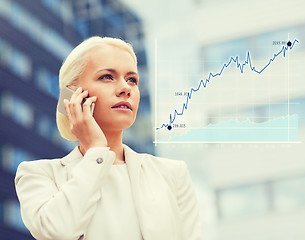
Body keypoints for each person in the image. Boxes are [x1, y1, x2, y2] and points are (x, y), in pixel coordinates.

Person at [15, 36, 202, 240]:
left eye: (132, 79)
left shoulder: (172, 174)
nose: (126, 88)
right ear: (72, 96)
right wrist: (96, 150)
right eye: (107, 77)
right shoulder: (38, 175)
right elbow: (58, 231)